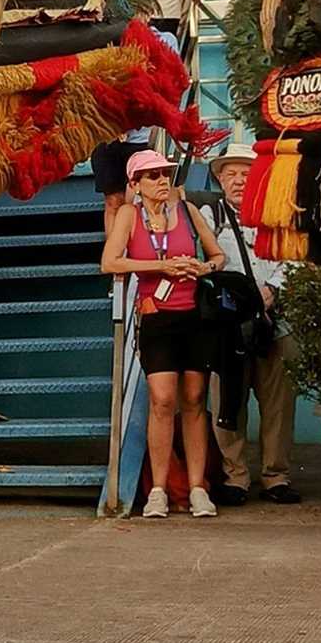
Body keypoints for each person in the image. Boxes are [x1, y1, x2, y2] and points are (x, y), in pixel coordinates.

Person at [101, 147, 225, 518]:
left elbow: (218, 256)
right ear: (135, 184)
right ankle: (158, 489)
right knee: (162, 400)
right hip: (156, 315)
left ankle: (197, 487)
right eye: (152, 176)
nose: (161, 181)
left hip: (193, 313)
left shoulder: (186, 211)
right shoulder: (129, 214)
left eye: (165, 174)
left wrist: (201, 268)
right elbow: (110, 261)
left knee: (195, 397)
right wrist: (160, 267)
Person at [205, 142, 296, 504]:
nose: (240, 181)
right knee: (228, 398)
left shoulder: (278, 214)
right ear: (220, 179)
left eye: (247, 173)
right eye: (232, 174)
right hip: (229, 323)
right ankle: (235, 477)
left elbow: (294, 256)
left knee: (278, 400)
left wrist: (273, 288)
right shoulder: (209, 217)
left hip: (277, 319)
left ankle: (276, 476)